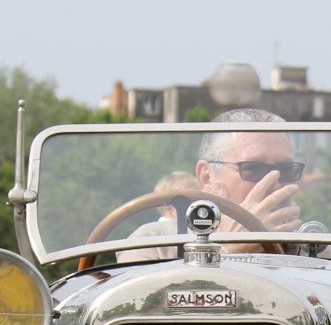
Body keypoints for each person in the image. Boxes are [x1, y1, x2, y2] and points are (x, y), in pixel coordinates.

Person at [124, 109, 303, 262]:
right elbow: (143, 301)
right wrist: (231, 250)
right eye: (252, 169)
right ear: (207, 178)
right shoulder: (155, 245)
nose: (274, 184)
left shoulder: (318, 251)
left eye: (286, 170)